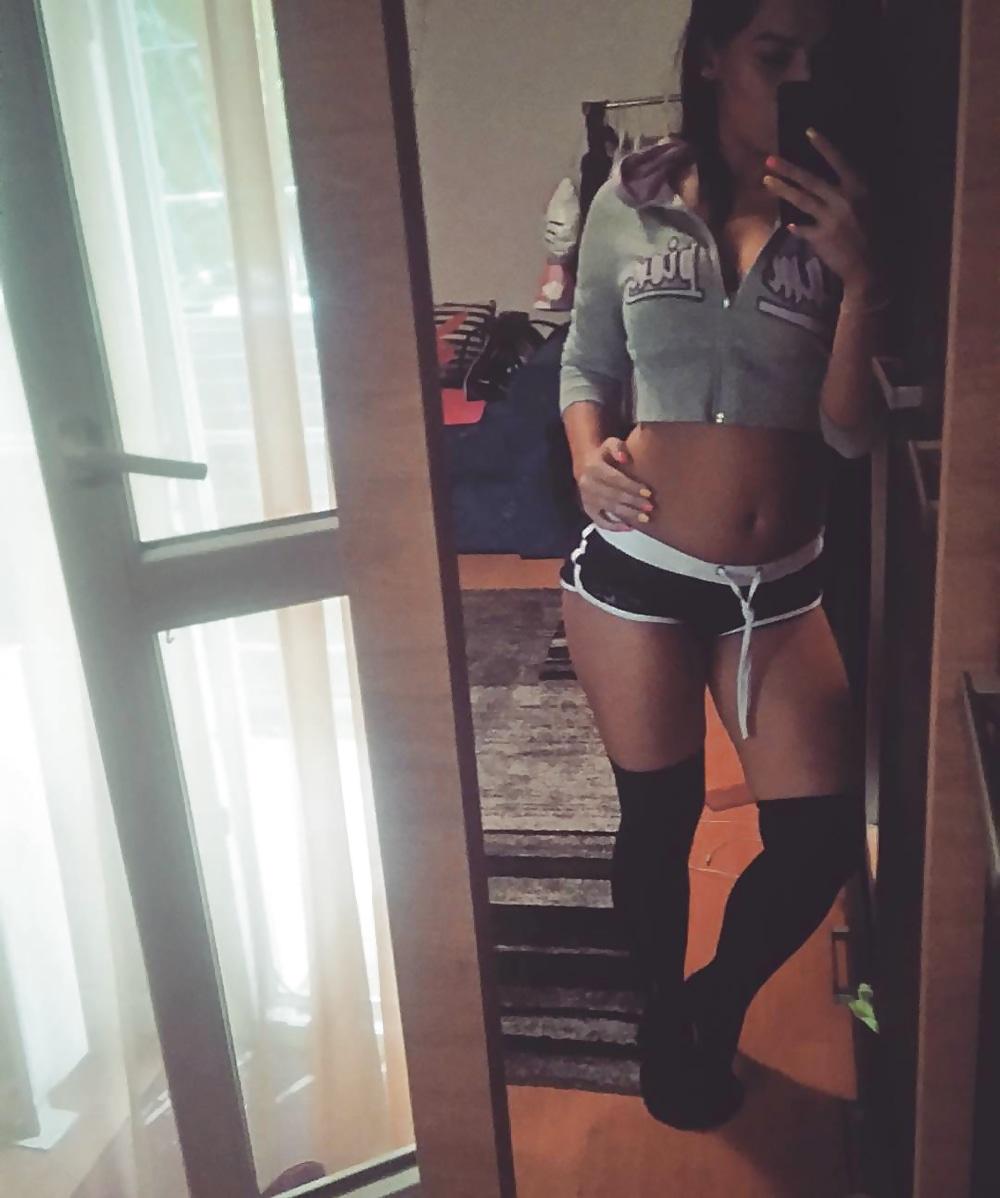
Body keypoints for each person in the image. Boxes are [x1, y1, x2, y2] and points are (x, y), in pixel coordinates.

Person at [558, 0, 884, 1131]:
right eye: (772, 53)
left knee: (818, 838)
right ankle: (664, 1017)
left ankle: (713, 1001)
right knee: (660, 819)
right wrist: (585, 457)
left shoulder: (846, 214)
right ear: (711, 57)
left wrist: (860, 278)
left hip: (779, 588)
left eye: (816, 61)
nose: (794, 78)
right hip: (637, 566)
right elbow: (586, 361)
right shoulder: (632, 197)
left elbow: (847, 433)